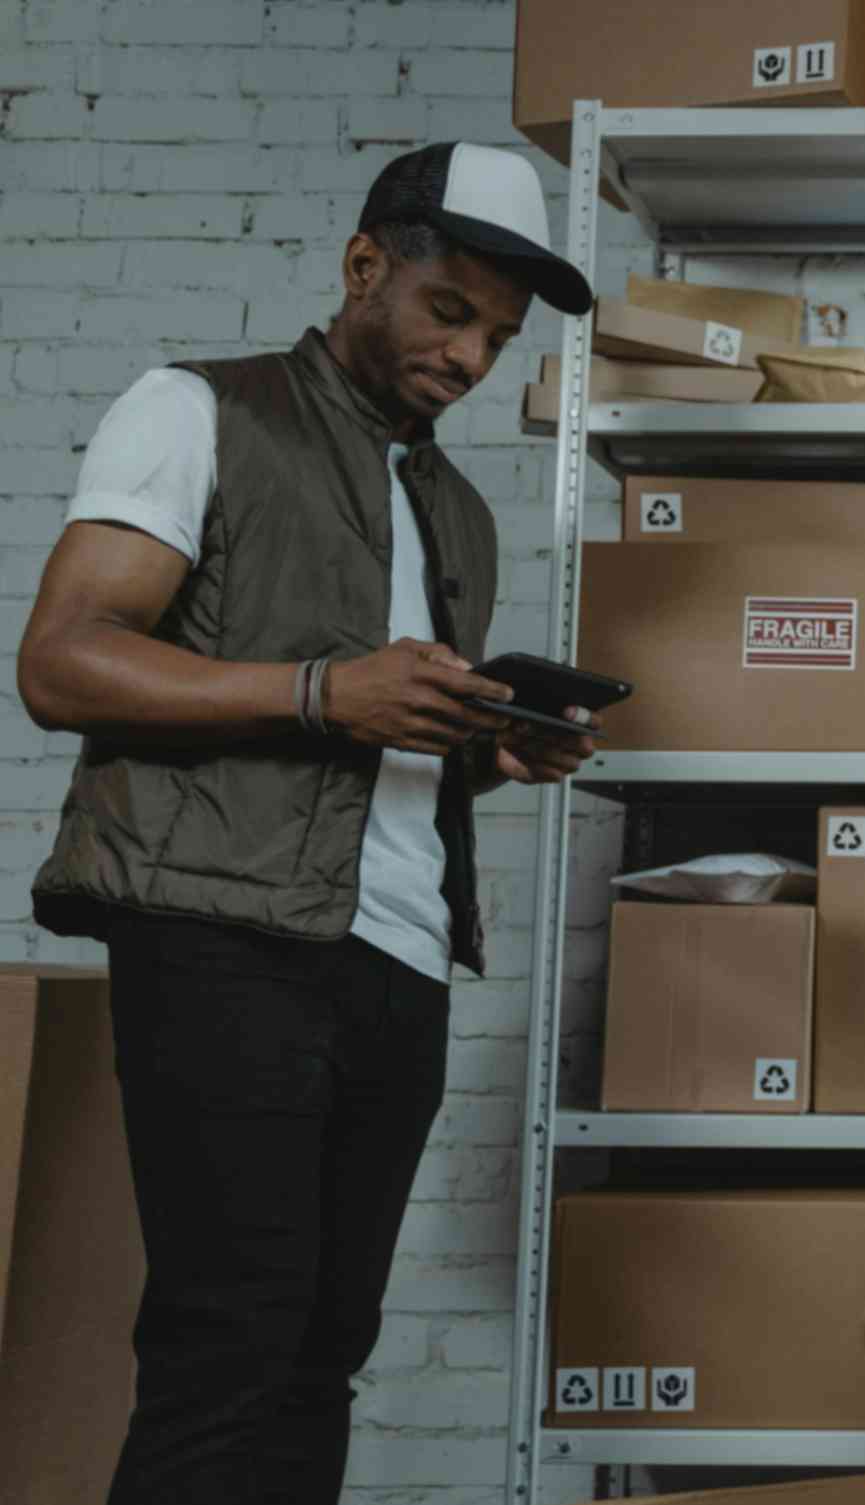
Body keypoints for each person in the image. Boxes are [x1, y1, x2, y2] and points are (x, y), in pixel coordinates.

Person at [17, 141, 599, 1505]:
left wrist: (488, 749)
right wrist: (324, 692)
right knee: (231, 1341)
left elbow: (370, 736)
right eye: (448, 312)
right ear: (362, 268)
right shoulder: (198, 410)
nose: (468, 359)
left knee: (325, 1352)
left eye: (497, 341)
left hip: (394, 956)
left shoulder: (450, 505)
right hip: (224, 934)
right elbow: (62, 659)